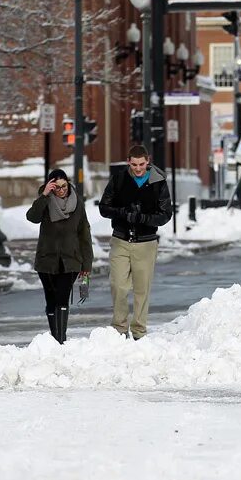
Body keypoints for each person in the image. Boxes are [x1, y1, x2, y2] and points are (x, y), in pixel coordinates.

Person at [98, 144, 172, 340]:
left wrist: (143, 218)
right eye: (134, 164)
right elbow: (104, 207)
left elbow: (166, 214)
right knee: (118, 285)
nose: (138, 168)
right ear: (128, 162)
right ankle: (120, 328)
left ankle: (139, 330)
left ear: (147, 161)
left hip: (146, 243)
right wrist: (122, 212)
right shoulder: (120, 179)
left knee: (142, 289)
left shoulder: (158, 182)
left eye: (141, 164)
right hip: (120, 239)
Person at [25, 168, 93, 344]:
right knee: (51, 299)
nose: (61, 190)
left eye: (64, 186)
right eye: (57, 187)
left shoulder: (77, 203)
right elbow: (32, 217)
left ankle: (60, 340)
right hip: (47, 259)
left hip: (70, 260)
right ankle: (55, 339)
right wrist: (45, 195)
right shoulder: (45, 202)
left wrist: (87, 264)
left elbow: (84, 233)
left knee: (62, 298)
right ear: (50, 187)